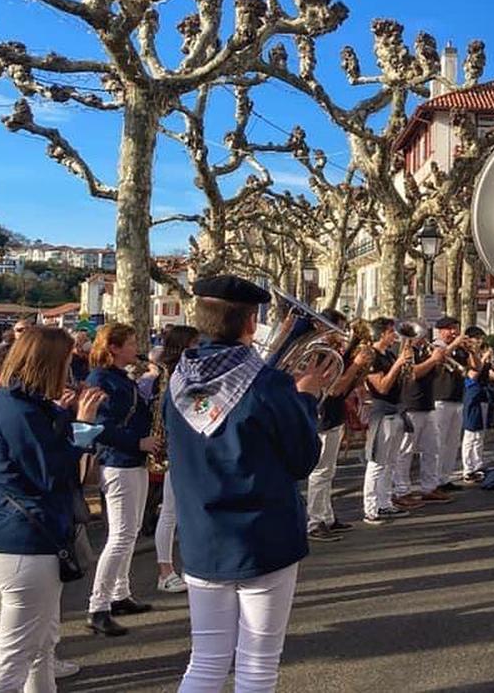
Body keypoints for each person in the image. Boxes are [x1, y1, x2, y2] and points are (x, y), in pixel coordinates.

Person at [165, 274, 328, 693]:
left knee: (205, 662)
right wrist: (306, 398)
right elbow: (302, 460)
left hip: (202, 538)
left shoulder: (177, 380)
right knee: (258, 667)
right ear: (250, 322)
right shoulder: (268, 384)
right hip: (264, 536)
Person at [0, 326, 105, 693]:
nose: (70, 371)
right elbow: (54, 473)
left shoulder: (17, 404)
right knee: (16, 655)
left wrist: (65, 417)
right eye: (65, 363)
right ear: (48, 364)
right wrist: (82, 427)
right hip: (25, 543)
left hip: (19, 539)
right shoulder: (19, 410)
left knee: (38, 647)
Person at [86, 322, 159, 636]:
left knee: (130, 533)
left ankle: (120, 593)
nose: (135, 348)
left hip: (134, 461)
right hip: (118, 462)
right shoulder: (101, 379)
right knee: (120, 535)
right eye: (129, 343)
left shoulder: (119, 377)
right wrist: (137, 442)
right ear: (113, 348)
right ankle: (97, 605)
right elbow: (101, 426)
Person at [304, 308, 372, 541]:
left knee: (328, 472)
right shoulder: (321, 353)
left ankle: (327, 516)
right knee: (320, 472)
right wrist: (355, 364)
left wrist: (356, 365)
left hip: (333, 416)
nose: (343, 334)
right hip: (323, 416)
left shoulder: (334, 352)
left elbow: (345, 386)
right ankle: (314, 522)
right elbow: (334, 388)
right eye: (339, 329)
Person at [152, 325, 200, 594]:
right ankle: (165, 570)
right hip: (175, 450)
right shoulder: (173, 376)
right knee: (170, 512)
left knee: (180, 512)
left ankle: (181, 567)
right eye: (195, 345)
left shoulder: (179, 374)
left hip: (181, 448)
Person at [392, 323, 453, 505]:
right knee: (405, 451)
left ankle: (429, 487)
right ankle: (401, 490)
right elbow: (413, 374)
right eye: (419, 335)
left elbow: (432, 375)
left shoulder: (424, 352)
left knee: (432, 449)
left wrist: (439, 362)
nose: (423, 338)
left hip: (427, 404)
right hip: (411, 405)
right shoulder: (406, 351)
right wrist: (433, 360)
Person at [361, 318, 413, 525]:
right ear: (382, 334)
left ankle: (385, 502)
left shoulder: (389, 354)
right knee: (377, 463)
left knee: (390, 461)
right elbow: (381, 387)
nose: (395, 336)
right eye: (392, 332)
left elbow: (401, 380)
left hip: (396, 410)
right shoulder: (372, 356)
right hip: (382, 413)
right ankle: (371, 509)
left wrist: (405, 365)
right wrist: (399, 364)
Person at [425, 316, 478, 494]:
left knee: (452, 442)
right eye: (450, 329)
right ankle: (433, 481)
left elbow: (474, 370)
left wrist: (472, 351)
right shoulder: (435, 345)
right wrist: (455, 343)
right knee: (438, 443)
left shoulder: (460, 350)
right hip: (440, 398)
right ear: (441, 330)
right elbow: (441, 357)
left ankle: (444, 478)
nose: (454, 332)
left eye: (455, 328)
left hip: (457, 398)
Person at [461, 327, 494, 482]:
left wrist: (493, 363)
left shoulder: (478, 356)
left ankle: (477, 464)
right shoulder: (468, 356)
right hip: (472, 395)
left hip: (483, 395)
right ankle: (467, 468)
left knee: (480, 434)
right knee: (471, 433)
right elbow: (473, 376)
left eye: (480, 339)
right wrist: (483, 360)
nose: (479, 342)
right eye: (477, 339)